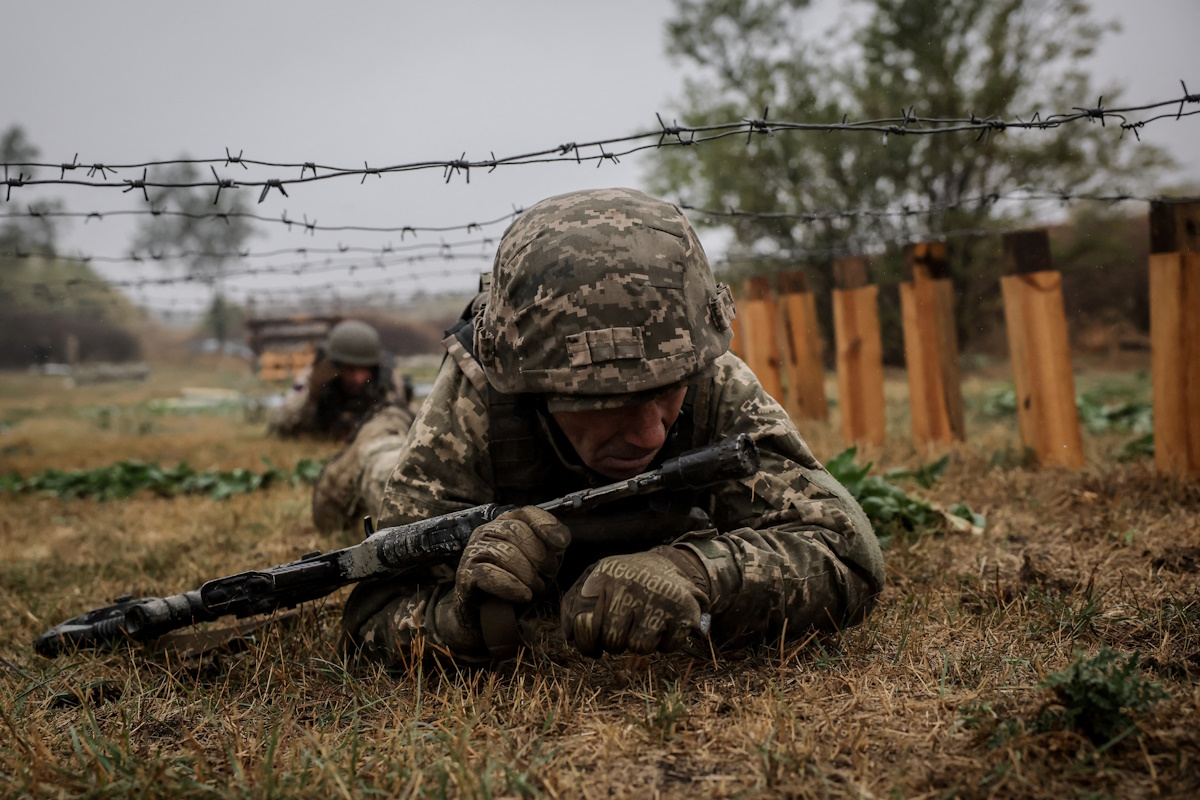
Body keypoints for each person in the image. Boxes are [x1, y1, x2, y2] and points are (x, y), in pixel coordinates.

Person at [341, 187, 884, 665]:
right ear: (530, 385)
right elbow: (375, 612)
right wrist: (470, 617)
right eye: (608, 400)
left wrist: (701, 573)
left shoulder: (707, 373)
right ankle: (373, 439)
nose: (650, 433)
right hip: (409, 462)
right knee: (380, 460)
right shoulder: (475, 403)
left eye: (667, 391)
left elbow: (846, 550)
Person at [268, 319, 413, 442]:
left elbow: (404, 418)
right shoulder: (315, 376)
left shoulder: (387, 379)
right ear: (335, 367)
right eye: (350, 370)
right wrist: (312, 392)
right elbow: (282, 422)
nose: (358, 378)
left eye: (364, 370)